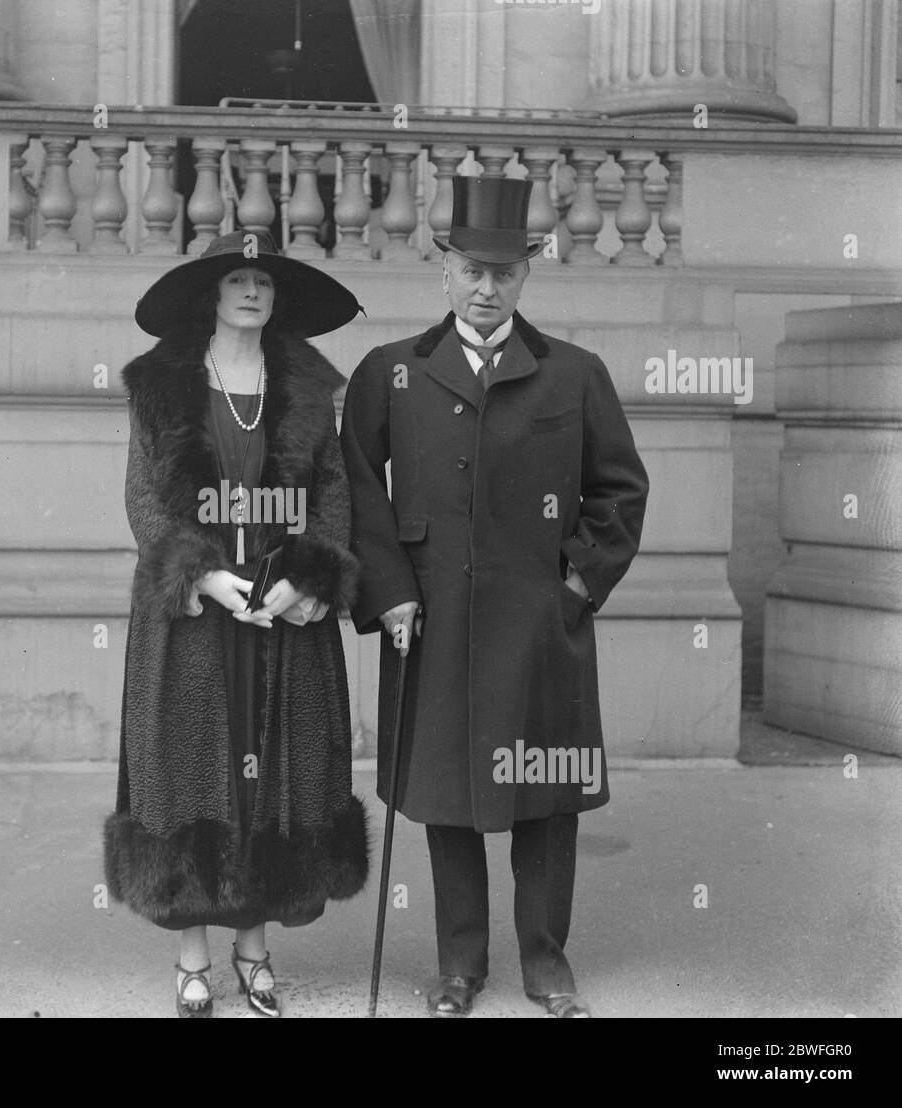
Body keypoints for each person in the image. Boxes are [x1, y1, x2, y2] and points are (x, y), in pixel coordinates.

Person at [341, 178, 649, 1018]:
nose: (486, 289)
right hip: (431, 622)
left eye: (504, 274)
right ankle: (459, 967)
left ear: (526, 277)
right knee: (447, 794)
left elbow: (619, 492)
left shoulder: (574, 375)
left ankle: (547, 963)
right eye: (473, 269)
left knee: (547, 795)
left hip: (540, 625)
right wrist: (392, 594)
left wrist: (578, 585)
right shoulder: (392, 373)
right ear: (444, 268)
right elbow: (356, 489)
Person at [104, 231, 368, 1018]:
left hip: (283, 617)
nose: (252, 291)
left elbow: (331, 495)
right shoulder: (161, 387)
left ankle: (254, 950)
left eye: (264, 280)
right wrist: (208, 577)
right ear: (212, 295)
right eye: (237, 280)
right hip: (194, 621)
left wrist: (303, 580)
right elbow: (145, 498)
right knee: (193, 770)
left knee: (272, 769)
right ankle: (193, 957)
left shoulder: (315, 393)